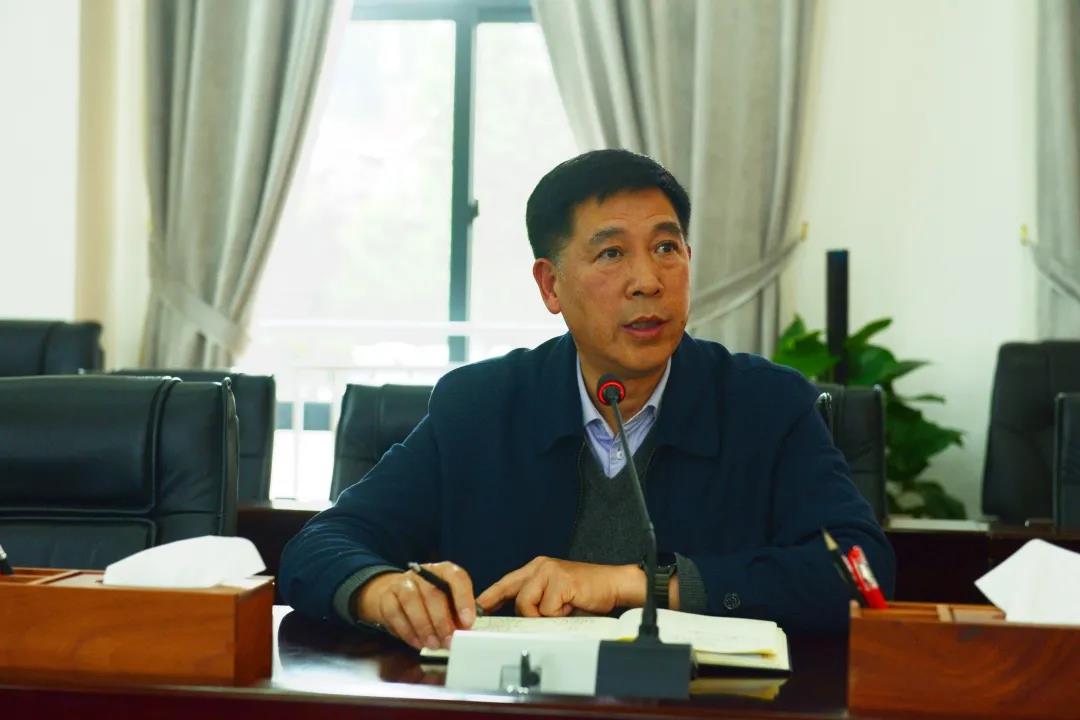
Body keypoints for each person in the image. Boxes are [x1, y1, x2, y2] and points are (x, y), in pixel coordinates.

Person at [279, 149, 895, 650]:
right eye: (611, 253)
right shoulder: (480, 406)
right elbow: (318, 547)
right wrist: (383, 591)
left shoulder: (766, 405)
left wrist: (633, 584)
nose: (648, 281)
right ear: (551, 285)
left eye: (666, 247)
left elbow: (860, 569)